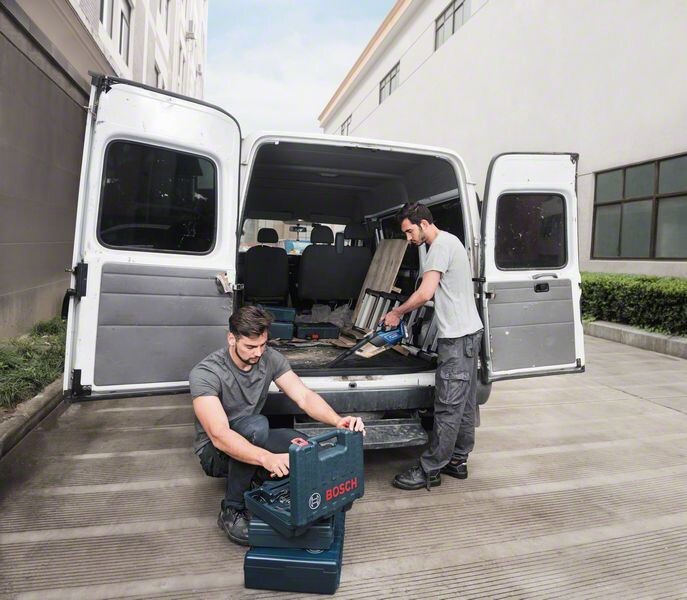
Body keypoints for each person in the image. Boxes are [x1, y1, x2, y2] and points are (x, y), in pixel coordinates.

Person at [190, 305, 365, 546]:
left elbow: (304, 396)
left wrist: (338, 420)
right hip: (214, 453)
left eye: (263, 344)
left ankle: (258, 480)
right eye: (250, 346)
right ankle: (232, 509)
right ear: (231, 338)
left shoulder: (270, 358)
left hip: (252, 436)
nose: (258, 352)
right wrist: (266, 458)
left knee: (300, 445)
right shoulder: (206, 372)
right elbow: (219, 435)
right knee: (257, 427)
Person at [381, 202, 483, 491]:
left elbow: (425, 292)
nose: (408, 238)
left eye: (409, 231)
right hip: (469, 334)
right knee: (464, 403)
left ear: (423, 224)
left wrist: (396, 312)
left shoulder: (438, 246)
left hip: (457, 339)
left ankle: (430, 469)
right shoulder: (451, 241)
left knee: (448, 406)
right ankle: (458, 460)